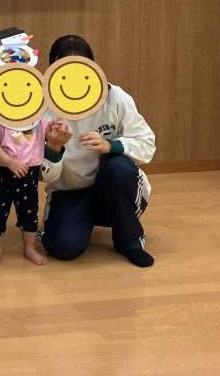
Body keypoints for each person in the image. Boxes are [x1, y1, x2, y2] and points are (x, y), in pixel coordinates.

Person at [40, 35, 156, 267]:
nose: (74, 76)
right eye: (65, 69)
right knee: (63, 247)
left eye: (82, 67)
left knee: (119, 167)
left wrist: (112, 145)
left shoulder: (114, 96)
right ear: (52, 71)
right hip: (69, 190)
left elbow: (147, 145)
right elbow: (45, 177)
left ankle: (130, 241)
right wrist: (53, 149)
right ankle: (75, 221)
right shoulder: (42, 107)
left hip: (111, 185)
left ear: (93, 68)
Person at [0, 116, 48, 265]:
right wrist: (10, 162)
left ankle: (30, 247)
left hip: (29, 173)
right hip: (0, 173)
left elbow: (49, 132)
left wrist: (56, 127)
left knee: (30, 211)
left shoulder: (38, 118)